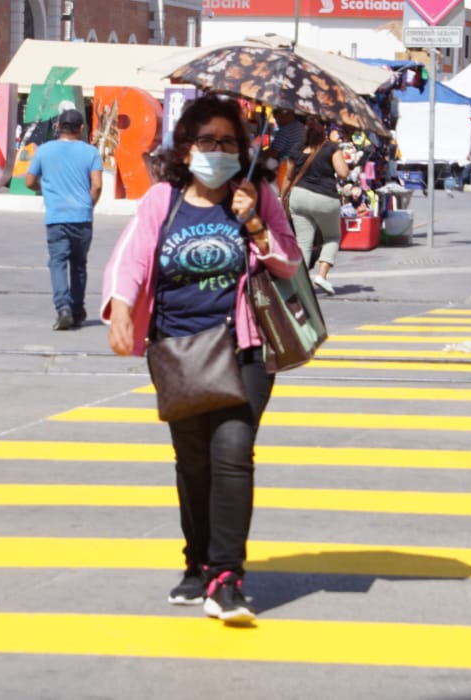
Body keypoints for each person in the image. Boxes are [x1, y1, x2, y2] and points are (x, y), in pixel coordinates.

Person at [102, 96, 299, 624]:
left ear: (244, 148)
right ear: (186, 148)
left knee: (232, 450)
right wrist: (120, 308)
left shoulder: (255, 194)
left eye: (228, 142)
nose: (217, 151)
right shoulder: (162, 200)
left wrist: (254, 221)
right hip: (176, 348)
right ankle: (198, 563)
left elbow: (288, 263)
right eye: (206, 141)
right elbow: (132, 257)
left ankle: (226, 578)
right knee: (192, 461)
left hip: (245, 347)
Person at [25, 108, 105, 329]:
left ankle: (63, 308)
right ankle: (77, 310)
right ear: (81, 128)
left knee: (57, 263)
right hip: (82, 217)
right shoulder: (91, 153)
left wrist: (46, 189)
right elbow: (97, 185)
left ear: (58, 127)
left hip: (56, 217)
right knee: (79, 265)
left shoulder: (44, 151)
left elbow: (29, 181)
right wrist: (88, 204)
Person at [285, 115, 350, 295]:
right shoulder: (331, 147)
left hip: (298, 197)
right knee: (332, 237)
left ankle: (301, 285)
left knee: (303, 242)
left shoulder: (296, 149)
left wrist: (282, 197)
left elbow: (289, 177)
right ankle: (321, 276)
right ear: (324, 129)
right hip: (324, 199)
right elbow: (343, 173)